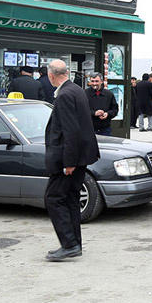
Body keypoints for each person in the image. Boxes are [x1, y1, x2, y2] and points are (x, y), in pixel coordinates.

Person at [43, 59, 100, 261]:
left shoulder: (65, 94)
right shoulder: (76, 90)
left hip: (69, 159)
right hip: (79, 157)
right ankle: (74, 243)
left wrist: (69, 162)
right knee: (70, 199)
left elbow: (71, 130)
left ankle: (69, 244)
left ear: (51, 75)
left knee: (54, 198)